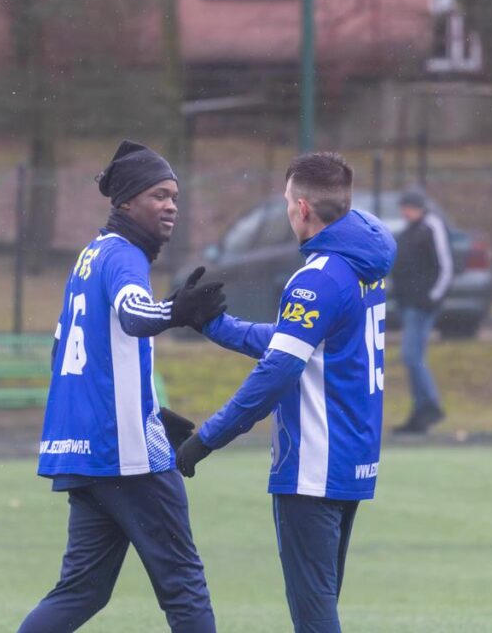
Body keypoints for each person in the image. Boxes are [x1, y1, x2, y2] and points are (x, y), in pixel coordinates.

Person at [176, 152, 396, 633]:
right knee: (321, 611)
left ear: (301, 208)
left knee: (314, 620)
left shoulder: (317, 278)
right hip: (350, 458)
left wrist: (205, 440)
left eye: (285, 202)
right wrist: (214, 325)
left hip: (313, 466)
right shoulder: (361, 264)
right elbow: (294, 344)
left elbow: (277, 371)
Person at [17, 140, 226, 633]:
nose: (171, 205)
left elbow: (65, 350)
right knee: (184, 585)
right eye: (159, 195)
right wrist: (176, 310)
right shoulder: (125, 256)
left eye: (174, 196)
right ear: (127, 202)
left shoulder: (91, 255)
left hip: (87, 449)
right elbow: (134, 314)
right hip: (123, 451)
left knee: (82, 591)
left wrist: (143, 407)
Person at [392, 188, 453, 434]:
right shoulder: (409, 232)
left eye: (407, 207)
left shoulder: (431, 227)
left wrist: (432, 297)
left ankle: (429, 406)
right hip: (409, 303)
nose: (404, 212)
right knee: (413, 357)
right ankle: (421, 411)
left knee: (411, 356)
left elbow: (445, 266)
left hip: (422, 304)